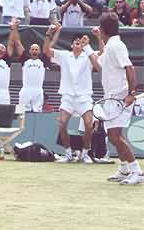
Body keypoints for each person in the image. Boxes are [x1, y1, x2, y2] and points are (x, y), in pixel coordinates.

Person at [84, 12, 143, 184]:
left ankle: (137, 172)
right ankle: (124, 170)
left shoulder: (117, 46)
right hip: (111, 97)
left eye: (100, 29)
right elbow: (99, 63)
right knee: (113, 136)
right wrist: (89, 46)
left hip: (121, 96)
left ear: (103, 29)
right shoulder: (110, 46)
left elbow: (130, 69)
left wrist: (131, 94)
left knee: (115, 136)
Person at [45, 27, 98, 163]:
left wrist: (97, 38)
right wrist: (48, 35)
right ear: (72, 45)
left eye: (81, 42)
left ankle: (85, 152)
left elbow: (102, 54)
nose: (78, 43)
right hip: (68, 97)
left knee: (88, 124)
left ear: (83, 45)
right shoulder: (64, 55)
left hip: (84, 97)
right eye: (76, 41)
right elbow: (46, 51)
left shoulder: (88, 56)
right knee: (62, 123)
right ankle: (68, 153)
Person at [11, 20, 57, 112]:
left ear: (39, 51)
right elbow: (17, 42)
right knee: (23, 113)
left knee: (37, 113)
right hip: (26, 90)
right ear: (29, 51)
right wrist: (14, 28)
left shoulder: (43, 60)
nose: (34, 51)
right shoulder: (25, 59)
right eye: (32, 49)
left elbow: (49, 46)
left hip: (38, 91)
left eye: (36, 49)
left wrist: (49, 34)